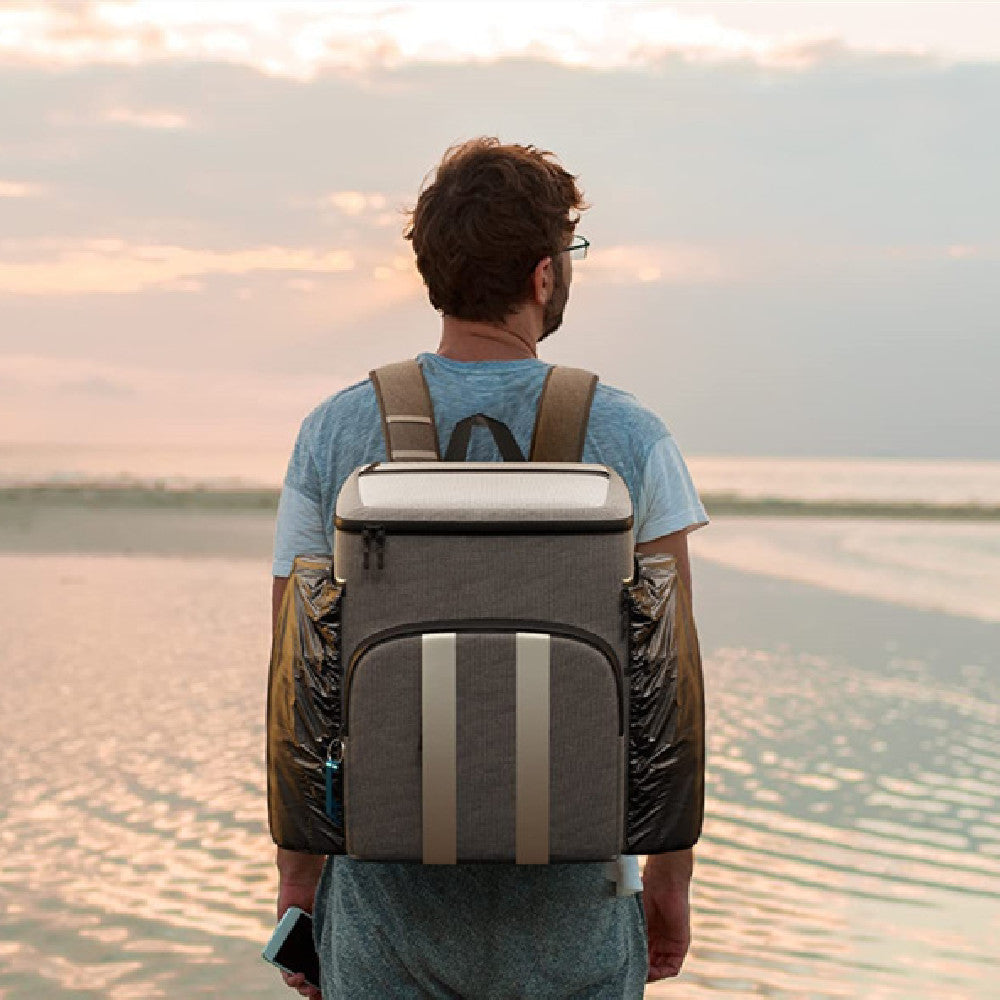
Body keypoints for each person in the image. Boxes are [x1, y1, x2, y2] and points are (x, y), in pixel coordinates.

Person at [271, 137, 709, 999]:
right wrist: (670, 878)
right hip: (576, 899)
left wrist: (298, 880)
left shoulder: (334, 434)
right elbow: (670, 683)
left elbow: (298, 679)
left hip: (389, 902)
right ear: (544, 275)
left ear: (435, 271)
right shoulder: (628, 434)